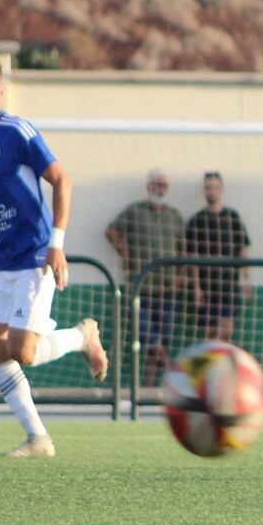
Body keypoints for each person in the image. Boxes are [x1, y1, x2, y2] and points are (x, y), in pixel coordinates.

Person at [0, 54, 108, 457]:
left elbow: (62, 179)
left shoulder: (16, 132)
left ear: (1, 90)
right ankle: (38, 438)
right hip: (4, 260)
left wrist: (57, 243)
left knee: (23, 352)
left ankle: (82, 336)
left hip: (36, 254)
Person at [107, 169, 184, 394]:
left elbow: (183, 249)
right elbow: (111, 231)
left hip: (167, 287)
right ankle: (177, 374)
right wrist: (125, 254)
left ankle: (148, 389)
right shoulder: (135, 211)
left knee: (162, 337)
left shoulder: (175, 216)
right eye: (155, 185)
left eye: (163, 186)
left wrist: (180, 277)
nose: (159, 189)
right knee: (149, 336)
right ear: (148, 187)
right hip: (140, 285)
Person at [185, 171, 250, 343]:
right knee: (211, 335)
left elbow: (242, 250)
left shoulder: (232, 217)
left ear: (221, 189)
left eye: (215, 187)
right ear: (204, 191)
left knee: (225, 333)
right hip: (207, 286)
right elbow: (192, 256)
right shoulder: (197, 220)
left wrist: (245, 280)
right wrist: (197, 287)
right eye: (208, 187)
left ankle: (223, 370)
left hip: (228, 285)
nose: (211, 191)